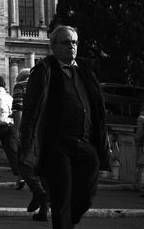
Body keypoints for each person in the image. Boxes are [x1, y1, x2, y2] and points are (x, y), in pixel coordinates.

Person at [19, 25, 111, 229]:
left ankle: (69, 221)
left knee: (86, 195)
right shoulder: (44, 72)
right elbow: (31, 109)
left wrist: (102, 140)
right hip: (57, 144)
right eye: (67, 42)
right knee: (61, 197)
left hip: (86, 143)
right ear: (54, 46)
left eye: (75, 42)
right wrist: (28, 142)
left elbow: (97, 108)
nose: (72, 46)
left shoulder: (86, 72)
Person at [13, 68, 49, 221]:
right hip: (47, 130)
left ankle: (39, 192)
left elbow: (18, 109)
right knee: (43, 169)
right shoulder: (48, 85)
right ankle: (43, 211)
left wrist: (17, 130)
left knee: (23, 164)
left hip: (30, 129)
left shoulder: (20, 86)